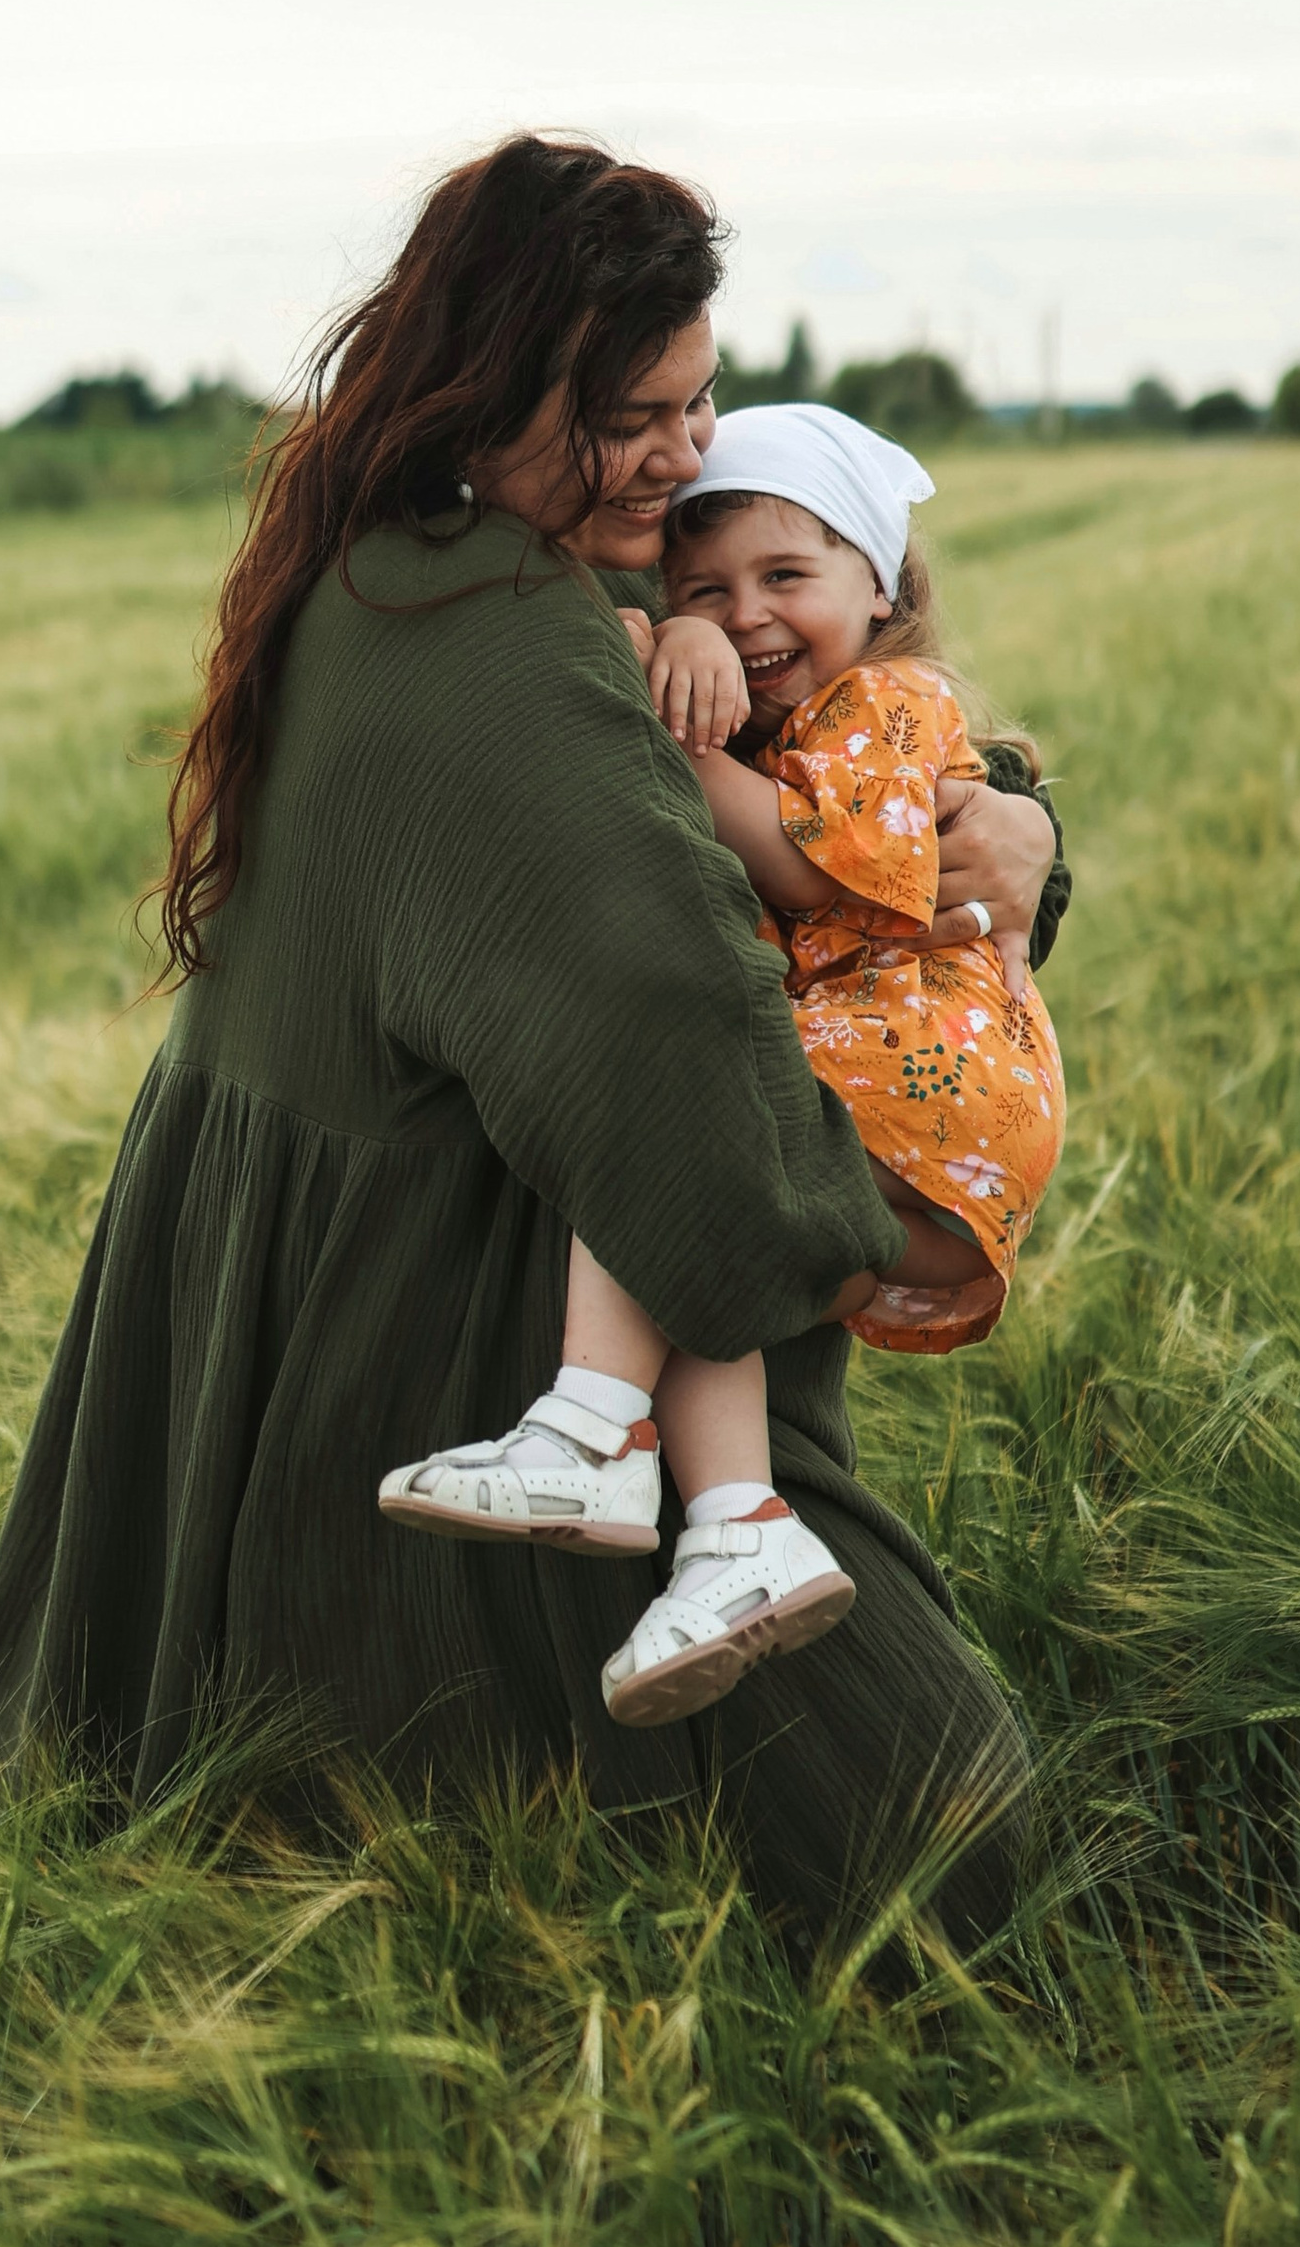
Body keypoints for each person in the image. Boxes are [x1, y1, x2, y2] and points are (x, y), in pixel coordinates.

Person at [0, 136, 1065, 1934]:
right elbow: (685, 1072)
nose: (690, 457)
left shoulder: (404, 571)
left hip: (310, 1299)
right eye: (639, 413)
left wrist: (1009, 825)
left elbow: (775, 845)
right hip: (420, 1356)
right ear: (502, 380)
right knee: (948, 1841)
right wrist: (910, 1218)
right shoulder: (517, 661)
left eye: (701, 404)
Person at [379, 403, 1064, 1736]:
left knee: (659, 1114)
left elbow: (812, 862)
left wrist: (678, 732)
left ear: (880, 586)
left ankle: (589, 1426)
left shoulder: (890, 704)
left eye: (785, 578)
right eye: (708, 586)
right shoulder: (796, 705)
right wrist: (673, 645)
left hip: (933, 1088)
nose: (747, 613)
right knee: (708, 1239)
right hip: (920, 1110)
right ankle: (740, 1528)